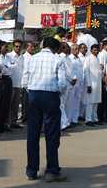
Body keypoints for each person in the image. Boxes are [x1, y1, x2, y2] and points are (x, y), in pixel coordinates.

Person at [23, 37, 67, 182]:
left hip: (34, 95)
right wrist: (57, 93)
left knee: (33, 134)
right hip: (50, 96)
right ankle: (52, 170)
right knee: (52, 134)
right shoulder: (58, 60)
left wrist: (32, 93)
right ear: (55, 48)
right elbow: (62, 83)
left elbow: (25, 80)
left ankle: (31, 170)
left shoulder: (32, 58)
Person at [0, 42, 13, 135]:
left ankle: (3, 125)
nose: (4, 48)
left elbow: (12, 67)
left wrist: (5, 68)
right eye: (3, 47)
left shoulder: (8, 57)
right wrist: (5, 68)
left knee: (6, 104)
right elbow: (1, 69)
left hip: (8, 79)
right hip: (0, 80)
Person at [7, 39, 25, 129]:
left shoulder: (22, 57)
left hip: (18, 84)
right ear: (13, 46)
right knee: (9, 104)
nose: (18, 48)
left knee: (16, 105)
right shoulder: (8, 56)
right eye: (16, 46)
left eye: (19, 46)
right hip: (10, 84)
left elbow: (23, 71)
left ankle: (14, 122)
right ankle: (7, 122)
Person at [84, 44, 103, 126]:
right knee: (90, 102)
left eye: (97, 50)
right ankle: (88, 120)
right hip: (91, 83)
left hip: (98, 84)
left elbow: (98, 72)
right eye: (94, 50)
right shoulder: (88, 58)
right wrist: (88, 84)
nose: (96, 51)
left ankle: (95, 118)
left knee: (96, 102)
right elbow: (86, 71)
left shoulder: (97, 58)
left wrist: (101, 69)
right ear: (91, 50)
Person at [65, 44, 84, 126]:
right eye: (75, 49)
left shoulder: (79, 59)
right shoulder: (69, 59)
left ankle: (74, 120)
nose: (77, 50)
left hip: (79, 84)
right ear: (71, 50)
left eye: (77, 49)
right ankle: (68, 121)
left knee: (77, 102)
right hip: (72, 84)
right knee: (70, 103)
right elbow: (69, 72)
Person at [97, 39, 107, 124]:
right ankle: (100, 118)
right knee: (102, 100)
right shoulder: (102, 55)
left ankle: (104, 117)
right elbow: (102, 68)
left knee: (105, 100)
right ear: (104, 46)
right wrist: (104, 80)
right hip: (103, 79)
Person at [21, 42, 35, 123]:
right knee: (25, 101)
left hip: (31, 82)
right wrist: (24, 83)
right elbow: (25, 71)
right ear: (27, 47)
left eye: (33, 46)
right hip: (26, 82)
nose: (33, 48)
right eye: (31, 46)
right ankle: (25, 117)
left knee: (29, 101)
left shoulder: (31, 57)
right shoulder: (25, 57)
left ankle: (27, 116)